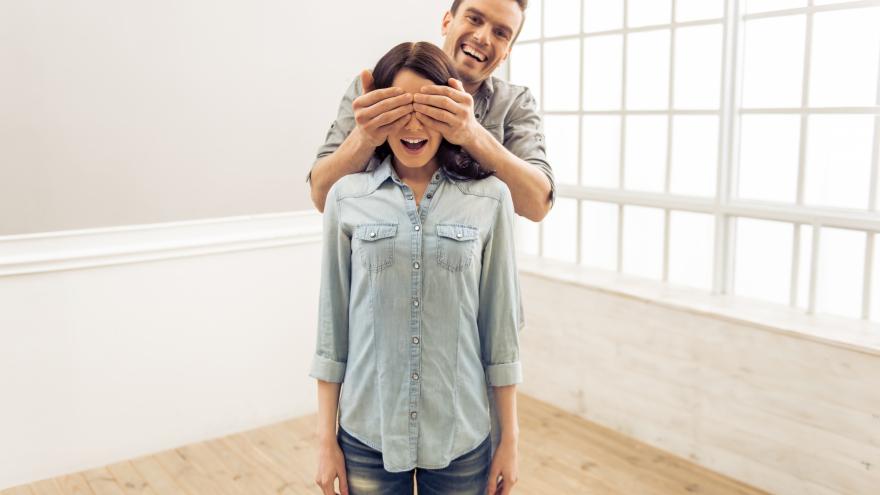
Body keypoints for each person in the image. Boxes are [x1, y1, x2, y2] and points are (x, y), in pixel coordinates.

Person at [310, 41, 522, 495]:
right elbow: (332, 331)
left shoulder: (491, 200)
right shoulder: (346, 198)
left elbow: (501, 332)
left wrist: (510, 439)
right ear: (372, 112)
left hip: (462, 435)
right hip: (367, 433)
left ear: (453, 112)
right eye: (397, 107)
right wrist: (325, 439)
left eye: (428, 108)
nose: (411, 124)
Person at [307, 0, 555, 223]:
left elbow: (537, 205)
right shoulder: (375, 87)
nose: (483, 37)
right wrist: (364, 137)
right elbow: (321, 196)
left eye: (501, 33)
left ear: (506, 53)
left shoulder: (515, 102)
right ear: (447, 21)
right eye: (474, 19)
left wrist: (472, 135)